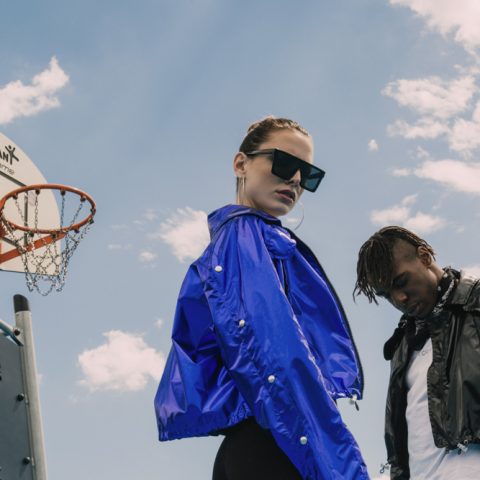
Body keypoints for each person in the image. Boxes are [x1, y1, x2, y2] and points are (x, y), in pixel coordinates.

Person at [155, 116, 368, 480]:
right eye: (284, 163)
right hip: (279, 444)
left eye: (307, 174)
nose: (296, 179)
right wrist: (336, 465)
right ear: (241, 164)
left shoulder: (247, 242)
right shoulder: (246, 237)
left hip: (260, 443)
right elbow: (274, 357)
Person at [354, 226, 480, 479]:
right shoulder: (403, 343)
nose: (399, 298)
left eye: (401, 282)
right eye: (386, 295)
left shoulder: (475, 303)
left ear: (425, 256)